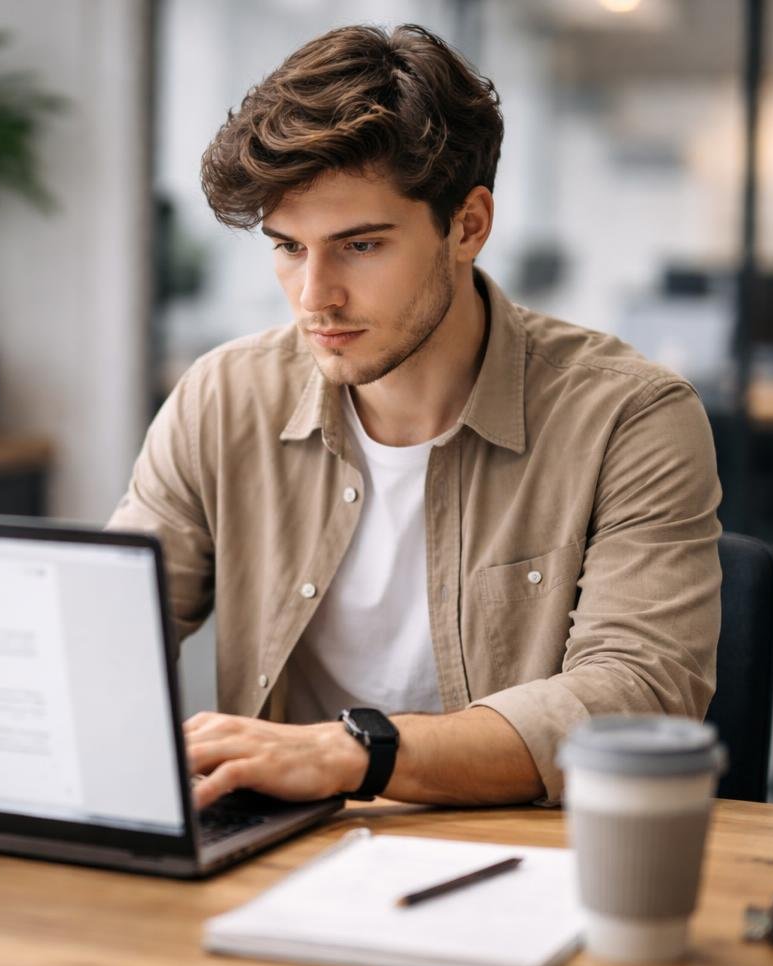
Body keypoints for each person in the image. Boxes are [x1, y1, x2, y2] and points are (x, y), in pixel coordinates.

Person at [108, 24, 722, 810]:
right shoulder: (223, 397)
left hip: (518, 853)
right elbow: (109, 624)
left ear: (468, 226)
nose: (315, 296)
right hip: (282, 848)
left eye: (360, 246)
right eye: (289, 248)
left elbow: (635, 695)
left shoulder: (629, 419)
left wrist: (349, 755)